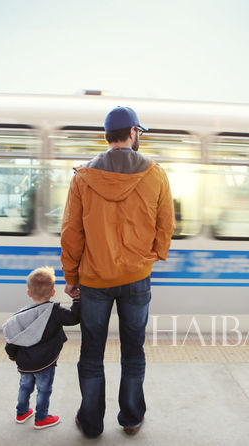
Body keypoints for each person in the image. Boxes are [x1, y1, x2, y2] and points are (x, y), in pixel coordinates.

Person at [61, 106, 175, 438]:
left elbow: (71, 232)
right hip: (137, 279)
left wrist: (71, 278)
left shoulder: (83, 177)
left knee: (92, 351)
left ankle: (92, 423)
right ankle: (131, 418)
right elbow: (166, 225)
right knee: (133, 350)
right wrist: (151, 256)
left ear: (108, 136)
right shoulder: (155, 174)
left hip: (94, 281)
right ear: (133, 133)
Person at [2, 266, 80, 429]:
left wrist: (12, 355)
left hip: (25, 363)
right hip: (46, 362)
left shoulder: (21, 316)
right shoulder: (55, 311)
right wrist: (77, 300)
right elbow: (74, 318)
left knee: (24, 387)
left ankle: (22, 413)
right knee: (44, 390)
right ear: (52, 292)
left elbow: (12, 340)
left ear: (28, 293)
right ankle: (41, 418)